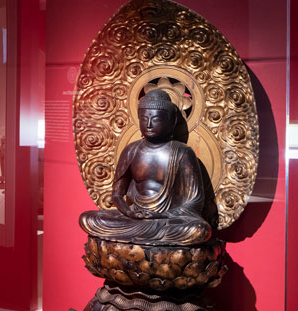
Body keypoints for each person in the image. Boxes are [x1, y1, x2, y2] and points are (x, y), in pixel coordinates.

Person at [79, 91, 213, 245]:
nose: (148, 124)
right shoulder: (131, 150)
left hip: (167, 220)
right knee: (88, 219)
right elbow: (116, 194)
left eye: (155, 119)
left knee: (198, 229)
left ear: (172, 121)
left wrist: (161, 216)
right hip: (134, 216)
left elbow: (195, 202)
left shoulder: (182, 152)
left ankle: (141, 236)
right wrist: (129, 212)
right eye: (144, 119)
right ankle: (145, 235)